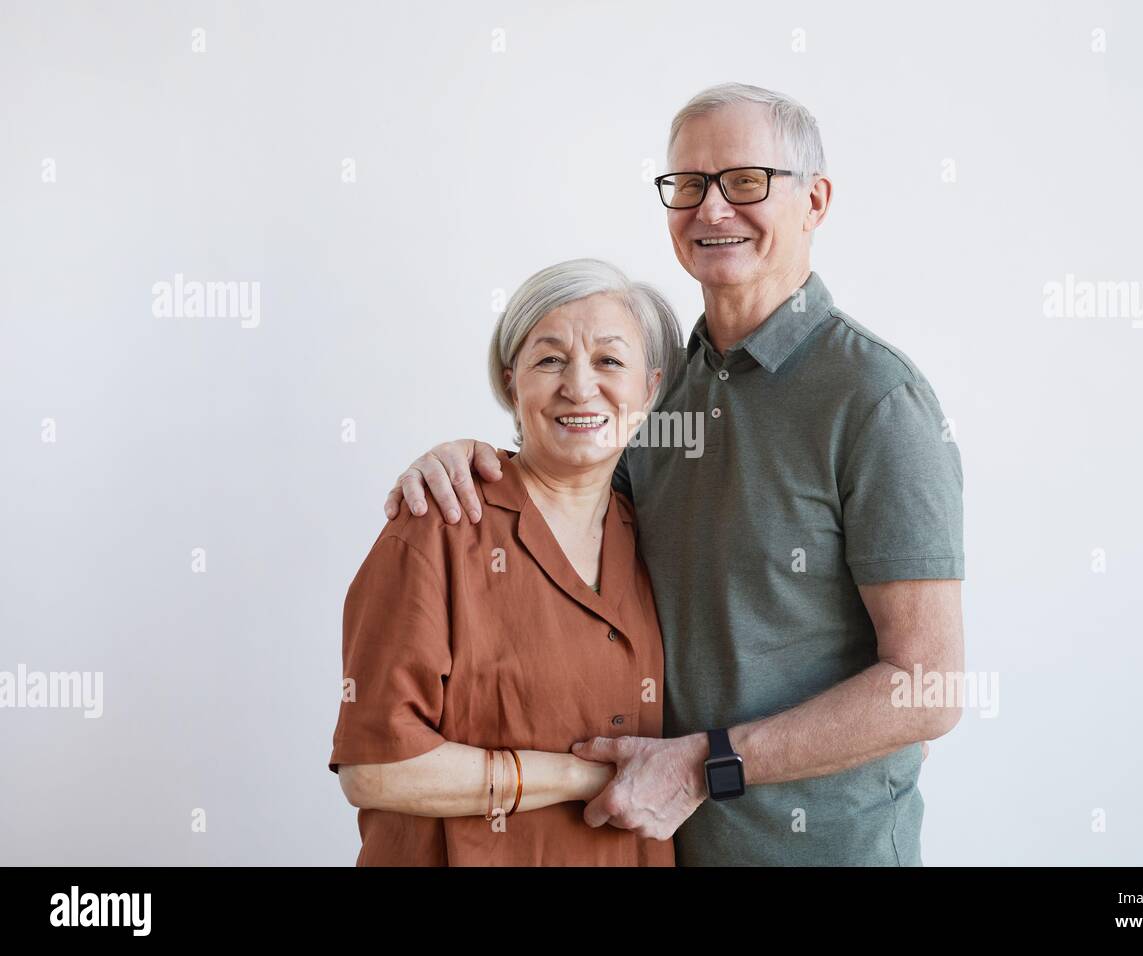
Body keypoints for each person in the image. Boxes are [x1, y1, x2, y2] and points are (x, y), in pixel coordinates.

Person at [384, 83, 966, 866]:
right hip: (658, 850)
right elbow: (567, 511)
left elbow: (929, 686)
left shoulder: (877, 400)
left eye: (746, 181)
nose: (712, 208)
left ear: (815, 201)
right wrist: (471, 459)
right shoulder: (658, 390)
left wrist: (704, 764)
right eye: (688, 184)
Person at [329, 258, 682, 866]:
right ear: (510, 382)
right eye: (550, 360)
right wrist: (582, 777)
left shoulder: (656, 537)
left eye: (609, 361)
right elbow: (375, 769)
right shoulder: (440, 522)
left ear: (649, 390)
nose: (579, 387)